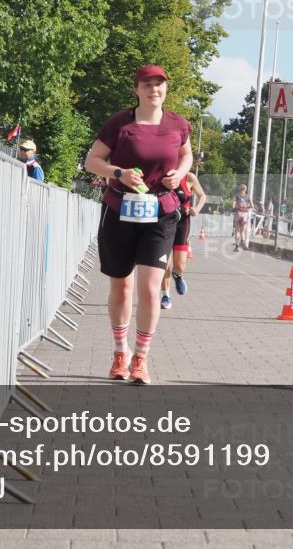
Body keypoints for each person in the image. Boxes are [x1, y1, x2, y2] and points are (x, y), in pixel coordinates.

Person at [84, 65, 193, 384]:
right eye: (148, 85)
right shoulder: (120, 123)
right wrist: (118, 173)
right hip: (119, 209)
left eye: (159, 85)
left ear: (165, 89)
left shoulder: (178, 124)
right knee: (121, 286)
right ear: (137, 90)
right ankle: (121, 353)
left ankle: (141, 359)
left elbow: (186, 155)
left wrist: (180, 174)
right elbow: (93, 161)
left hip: (160, 213)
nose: (154, 90)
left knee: (148, 288)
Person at [161, 165, 207, 309]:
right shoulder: (163, 174)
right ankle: (165, 295)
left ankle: (178, 276)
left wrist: (197, 209)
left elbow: (202, 196)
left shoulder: (189, 177)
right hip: (164, 223)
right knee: (165, 264)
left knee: (179, 265)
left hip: (183, 224)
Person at [232, 184, 252, 251]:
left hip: (238, 213)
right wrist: (246, 207)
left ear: (240, 188)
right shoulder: (247, 197)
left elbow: (233, 206)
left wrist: (235, 208)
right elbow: (252, 205)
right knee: (242, 231)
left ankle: (237, 246)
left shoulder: (236, 195)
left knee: (237, 230)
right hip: (245, 215)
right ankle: (243, 241)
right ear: (245, 189)